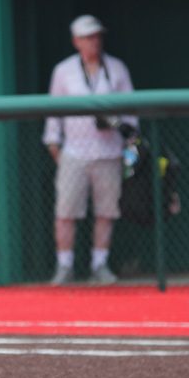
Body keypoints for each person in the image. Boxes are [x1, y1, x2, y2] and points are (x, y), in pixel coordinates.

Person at [42, 15, 138, 285]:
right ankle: (65, 266)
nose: (93, 42)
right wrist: (54, 146)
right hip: (73, 152)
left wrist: (128, 142)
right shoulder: (63, 71)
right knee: (65, 212)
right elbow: (53, 113)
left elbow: (131, 112)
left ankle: (100, 265)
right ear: (76, 41)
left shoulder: (117, 68)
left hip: (109, 152)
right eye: (87, 37)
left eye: (96, 36)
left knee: (106, 212)